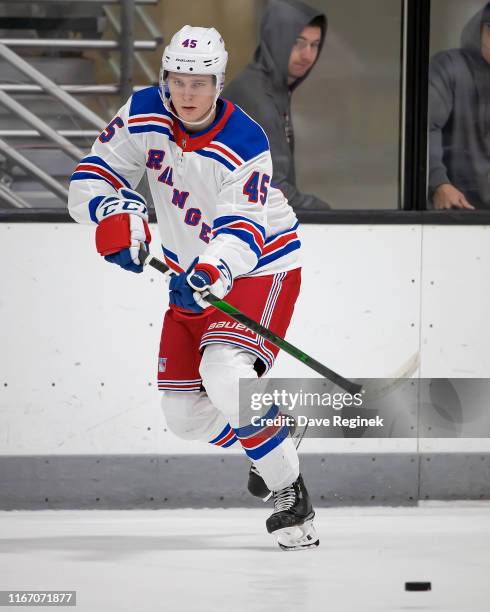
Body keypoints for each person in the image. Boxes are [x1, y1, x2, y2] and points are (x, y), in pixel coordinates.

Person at [68, 25, 319, 551]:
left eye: (199, 82)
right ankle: (272, 437)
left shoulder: (245, 140)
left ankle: (291, 498)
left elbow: (243, 230)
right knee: (184, 418)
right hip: (189, 274)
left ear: (218, 83)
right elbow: (91, 176)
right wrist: (114, 210)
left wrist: (210, 274)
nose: (186, 93)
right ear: (165, 79)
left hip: (257, 269)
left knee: (225, 375)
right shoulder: (142, 112)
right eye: (177, 80)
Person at [224, 0, 329, 211]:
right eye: (298, 42)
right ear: (277, 39)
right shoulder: (257, 98)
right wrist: (333, 216)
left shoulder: (272, 88)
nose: (308, 55)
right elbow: (274, 190)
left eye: (314, 44)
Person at [429, 2, 490, 210]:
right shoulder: (449, 67)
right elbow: (423, 127)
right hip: (456, 212)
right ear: (481, 29)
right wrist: (438, 183)